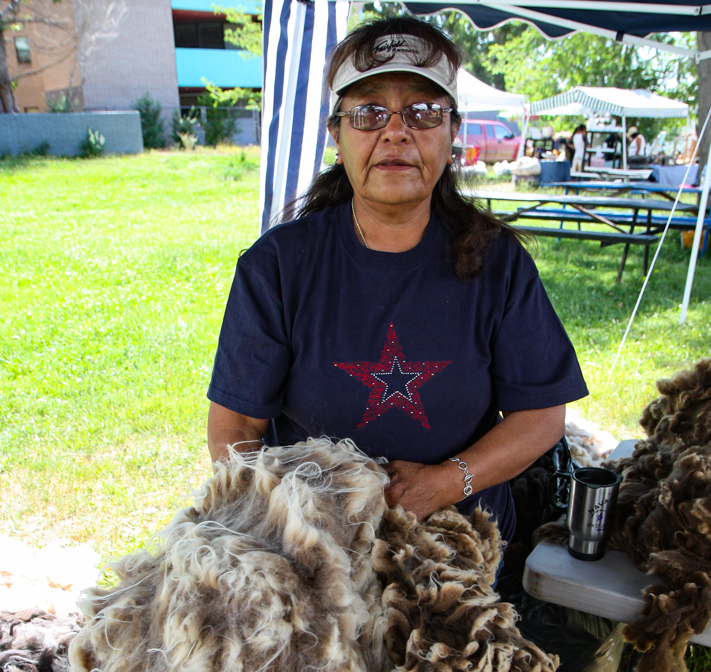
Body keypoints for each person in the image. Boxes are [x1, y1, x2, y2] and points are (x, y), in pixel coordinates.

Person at [206, 15, 588, 555]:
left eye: (423, 111)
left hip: (455, 552)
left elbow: (542, 416)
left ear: (453, 132)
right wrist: (265, 524)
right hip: (315, 546)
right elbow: (236, 424)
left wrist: (443, 483)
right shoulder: (277, 267)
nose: (395, 131)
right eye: (367, 113)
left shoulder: (497, 264)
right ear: (336, 136)